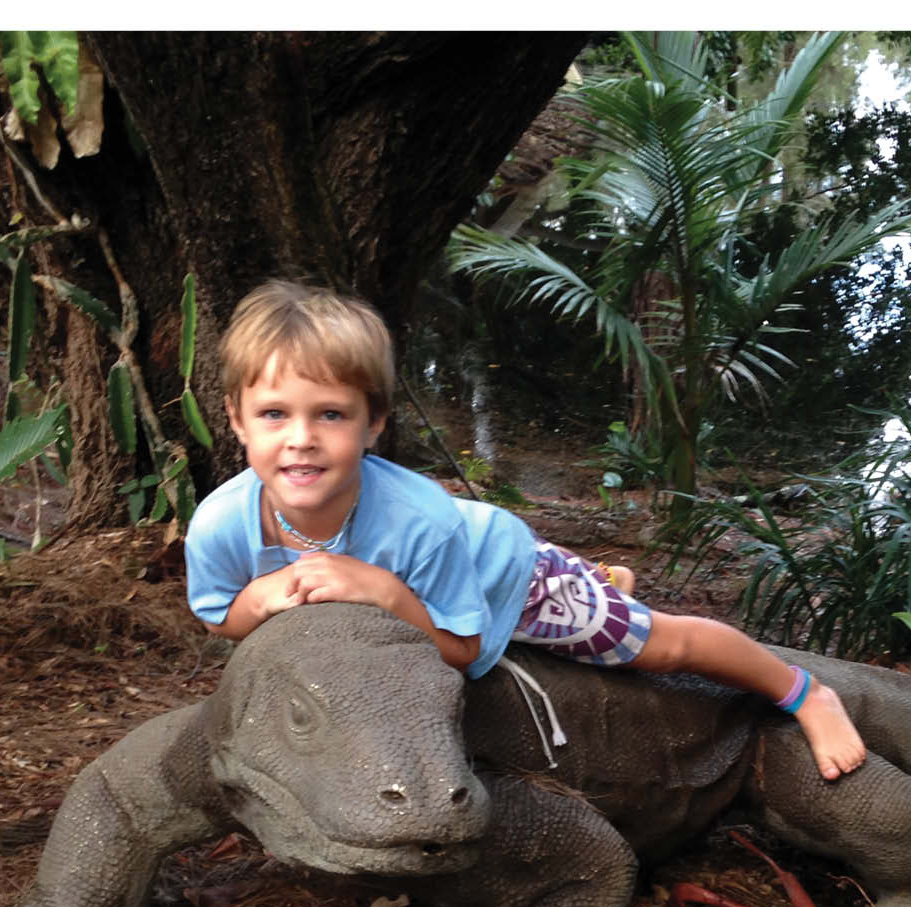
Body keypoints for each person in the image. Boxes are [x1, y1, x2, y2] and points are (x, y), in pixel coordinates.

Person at [185, 280, 866, 781]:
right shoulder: (219, 524)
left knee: (658, 643)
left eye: (330, 414)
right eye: (274, 413)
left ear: (375, 422)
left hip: (503, 576)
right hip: (455, 559)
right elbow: (219, 614)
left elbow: (465, 647)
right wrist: (260, 598)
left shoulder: (420, 523)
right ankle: (602, 576)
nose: (300, 440)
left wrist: (387, 594)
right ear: (237, 419)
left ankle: (802, 690)